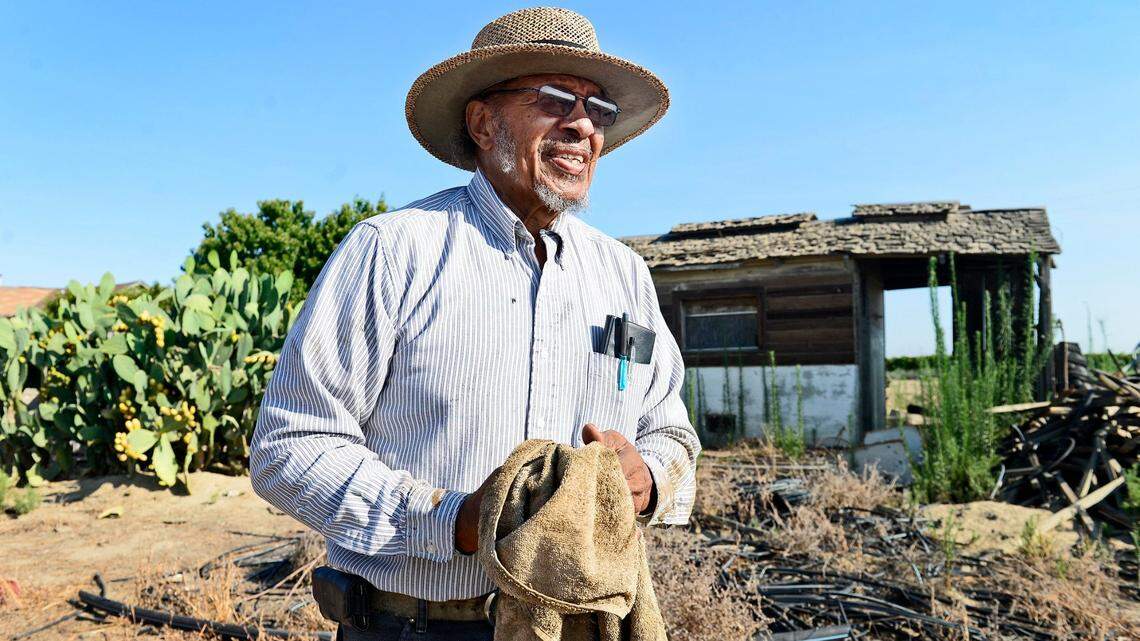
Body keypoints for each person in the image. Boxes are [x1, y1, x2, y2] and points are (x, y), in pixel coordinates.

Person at [250, 7, 700, 640]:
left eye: (596, 110)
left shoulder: (623, 275)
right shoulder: (392, 252)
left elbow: (670, 431)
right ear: (484, 123)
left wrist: (647, 479)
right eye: (555, 100)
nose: (582, 126)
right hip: (416, 627)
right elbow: (288, 448)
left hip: (579, 623)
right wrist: (454, 520)